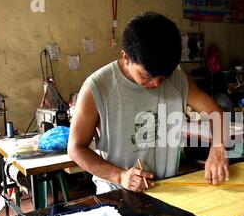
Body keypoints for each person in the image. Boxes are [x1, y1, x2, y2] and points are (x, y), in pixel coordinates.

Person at [68, 12, 229, 195]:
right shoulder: (98, 87)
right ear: (126, 57)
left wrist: (217, 149)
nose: (156, 84)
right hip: (116, 191)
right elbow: (75, 148)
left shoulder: (178, 79)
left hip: (168, 190)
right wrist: (120, 176)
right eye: (146, 76)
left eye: (163, 77)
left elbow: (216, 112)